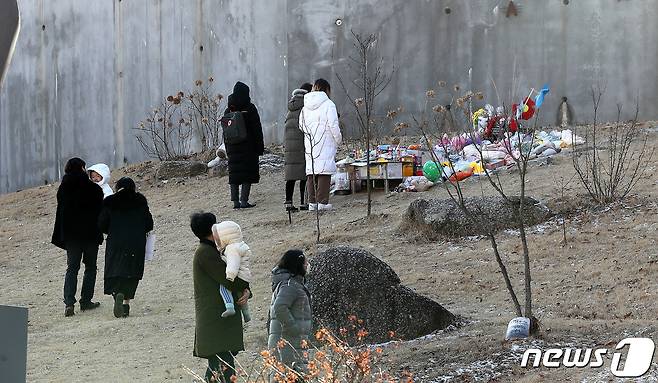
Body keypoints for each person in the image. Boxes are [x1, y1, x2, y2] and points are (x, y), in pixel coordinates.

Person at [191, 212, 251, 383]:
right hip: (216, 317)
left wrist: (246, 291)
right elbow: (228, 279)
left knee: (220, 366)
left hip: (218, 316)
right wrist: (245, 288)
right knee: (222, 366)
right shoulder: (206, 253)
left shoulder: (214, 250)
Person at [51, 157, 104, 317]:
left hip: (72, 236)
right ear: (82, 168)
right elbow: (100, 212)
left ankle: (69, 303)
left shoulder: (63, 189)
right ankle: (86, 301)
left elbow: (61, 212)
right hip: (90, 234)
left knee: (72, 268)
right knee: (90, 267)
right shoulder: (94, 189)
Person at [98, 177, 154, 318]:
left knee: (116, 269)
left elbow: (102, 224)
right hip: (136, 242)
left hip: (116, 241)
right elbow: (149, 224)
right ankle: (126, 305)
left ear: (118, 187)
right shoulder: (140, 201)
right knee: (131, 272)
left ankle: (117, 293)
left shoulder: (110, 202)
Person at [299, 79, 342, 211]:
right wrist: (338, 139)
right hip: (326, 141)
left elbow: (301, 125)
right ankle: (323, 202)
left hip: (310, 141)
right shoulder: (329, 104)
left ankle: (312, 202)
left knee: (311, 171)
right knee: (325, 170)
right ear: (326, 89)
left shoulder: (305, 106)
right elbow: (333, 125)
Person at [268, 249, 312, 377]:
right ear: (298, 264)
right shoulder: (290, 285)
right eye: (305, 263)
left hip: (292, 342)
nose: (307, 265)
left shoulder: (293, 284)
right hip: (288, 342)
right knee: (289, 376)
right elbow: (280, 307)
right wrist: (294, 329)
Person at [224, 81, 265, 209]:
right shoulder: (250, 108)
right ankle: (244, 201)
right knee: (247, 173)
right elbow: (257, 129)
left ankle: (235, 202)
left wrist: (227, 148)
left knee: (235, 173)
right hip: (248, 146)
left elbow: (225, 131)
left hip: (232, 146)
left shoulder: (228, 109)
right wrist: (259, 147)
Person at [211, 220, 252, 322]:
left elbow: (233, 263)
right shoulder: (240, 245)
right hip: (244, 277)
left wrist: (230, 276)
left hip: (236, 275)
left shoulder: (232, 249)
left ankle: (229, 307)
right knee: (241, 296)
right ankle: (246, 314)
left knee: (224, 287)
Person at [284, 82, 313, 212]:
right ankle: (303, 202)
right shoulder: (306, 108)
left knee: (291, 175)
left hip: (290, 146)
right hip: (302, 144)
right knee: (304, 175)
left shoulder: (290, 108)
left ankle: (288, 204)